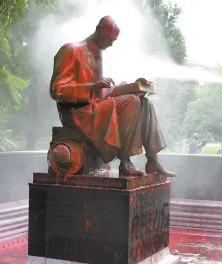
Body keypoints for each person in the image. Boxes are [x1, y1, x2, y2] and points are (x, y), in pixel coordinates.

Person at [50, 16, 175, 177]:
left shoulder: (98, 56)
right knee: (132, 101)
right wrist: (92, 86)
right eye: (108, 38)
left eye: (114, 40)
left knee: (144, 102)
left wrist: (132, 87)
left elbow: (103, 94)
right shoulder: (71, 50)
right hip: (77, 113)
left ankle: (152, 160)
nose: (110, 43)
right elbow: (57, 90)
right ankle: (125, 161)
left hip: (95, 107)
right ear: (98, 28)